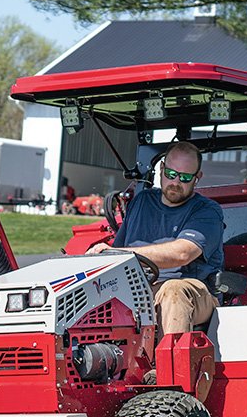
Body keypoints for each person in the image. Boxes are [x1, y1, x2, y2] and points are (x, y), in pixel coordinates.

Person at [87, 141, 225, 335]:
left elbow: (182, 253)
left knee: (173, 291)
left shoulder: (207, 211)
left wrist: (120, 253)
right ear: (161, 169)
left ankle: (172, 355)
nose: (176, 182)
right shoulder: (141, 202)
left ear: (197, 178)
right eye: (171, 174)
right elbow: (116, 255)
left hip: (193, 292)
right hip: (140, 289)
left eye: (185, 177)